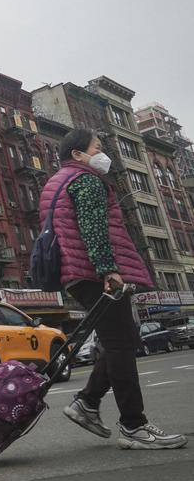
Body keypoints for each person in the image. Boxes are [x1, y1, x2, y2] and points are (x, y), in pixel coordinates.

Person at [41, 128, 186, 450]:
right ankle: (134, 426)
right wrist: (108, 270)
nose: (102, 152)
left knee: (121, 339)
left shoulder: (59, 180)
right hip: (94, 272)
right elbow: (93, 228)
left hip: (76, 272)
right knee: (121, 345)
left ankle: (87, 403)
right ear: (78, 154)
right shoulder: (86, 180)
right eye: (97, 147)